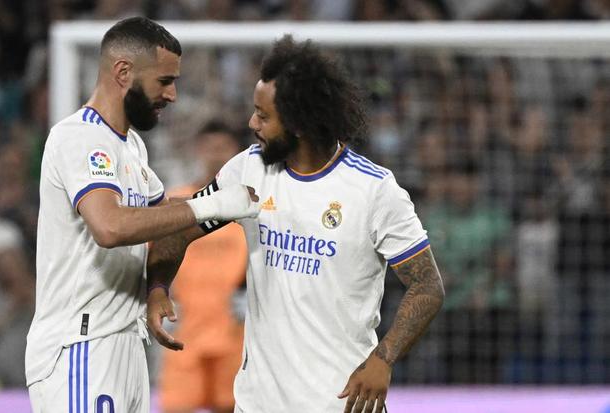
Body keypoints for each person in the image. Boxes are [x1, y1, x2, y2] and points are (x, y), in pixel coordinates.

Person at [146, 35, 445, 413]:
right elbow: (183, 227)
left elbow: (427, 286)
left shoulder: (374, 190)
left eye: (264, 115)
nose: (252, 122)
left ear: (300, 123)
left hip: (339, 402)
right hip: (258, 403)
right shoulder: (248, 169)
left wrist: (383, 359)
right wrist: (159, 285)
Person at [25, 17, 259, 413]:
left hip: (125, 342)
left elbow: (168, 224)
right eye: (164, 81)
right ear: (123, 72)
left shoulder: (131, 145)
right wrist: (213, 205)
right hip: (81, 346)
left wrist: (158, 287)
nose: (172, 95)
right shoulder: (80, 137)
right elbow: (110, 227)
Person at [158, 121, 247, 413]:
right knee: (177, 406)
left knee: (232, 406)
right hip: (185, 331)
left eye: (223, 148)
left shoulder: (248, 207)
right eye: (210, 148)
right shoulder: (178, 203)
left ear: (236, 153)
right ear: (198, 150)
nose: (216, 155)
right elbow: (155, 257)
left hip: (234, 332)